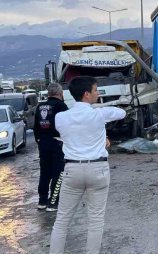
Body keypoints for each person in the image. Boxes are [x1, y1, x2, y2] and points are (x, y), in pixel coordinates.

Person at [49, 76, 126, 254]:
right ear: (86, 94)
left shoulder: (60, 117)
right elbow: (121, 113)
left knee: (61, 221)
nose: (98, 93)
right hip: (98, 169)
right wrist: (101, 115)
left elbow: (70, 133)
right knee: (96, 221)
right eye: (96, 90)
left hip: (72, 169)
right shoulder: (99, 114)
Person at [34, 83, 69, 212]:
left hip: (43, 143)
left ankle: (42, 201)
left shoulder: (40, 106)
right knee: (58, 173)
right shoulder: (61, 106)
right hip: (57, 142)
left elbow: (36, 126)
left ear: (48, 93)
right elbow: (67, 124)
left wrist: (39, 140)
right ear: (60, 93)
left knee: (44, 172)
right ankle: (53, 202)